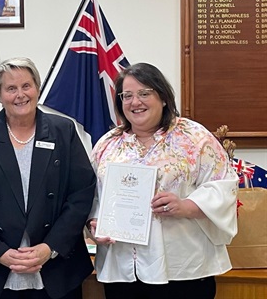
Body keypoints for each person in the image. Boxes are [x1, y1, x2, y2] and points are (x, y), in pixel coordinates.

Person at [87, 62, 238, 299]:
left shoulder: (194, 137)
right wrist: (94, 224)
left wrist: (187, 206)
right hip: (123, 269)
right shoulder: (107, 144)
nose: (135, 102)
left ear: (164, 98)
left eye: (145, 93)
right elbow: (92, 197)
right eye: (127, 96)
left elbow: (224, 187)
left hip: (183, 268)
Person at [0, 57, 96, 299]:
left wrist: (50, 248)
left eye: (26, 86)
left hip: (56, 268)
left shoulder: (63, 131)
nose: (20, 95)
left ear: (37, 88)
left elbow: (81, 193)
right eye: (11, 88)